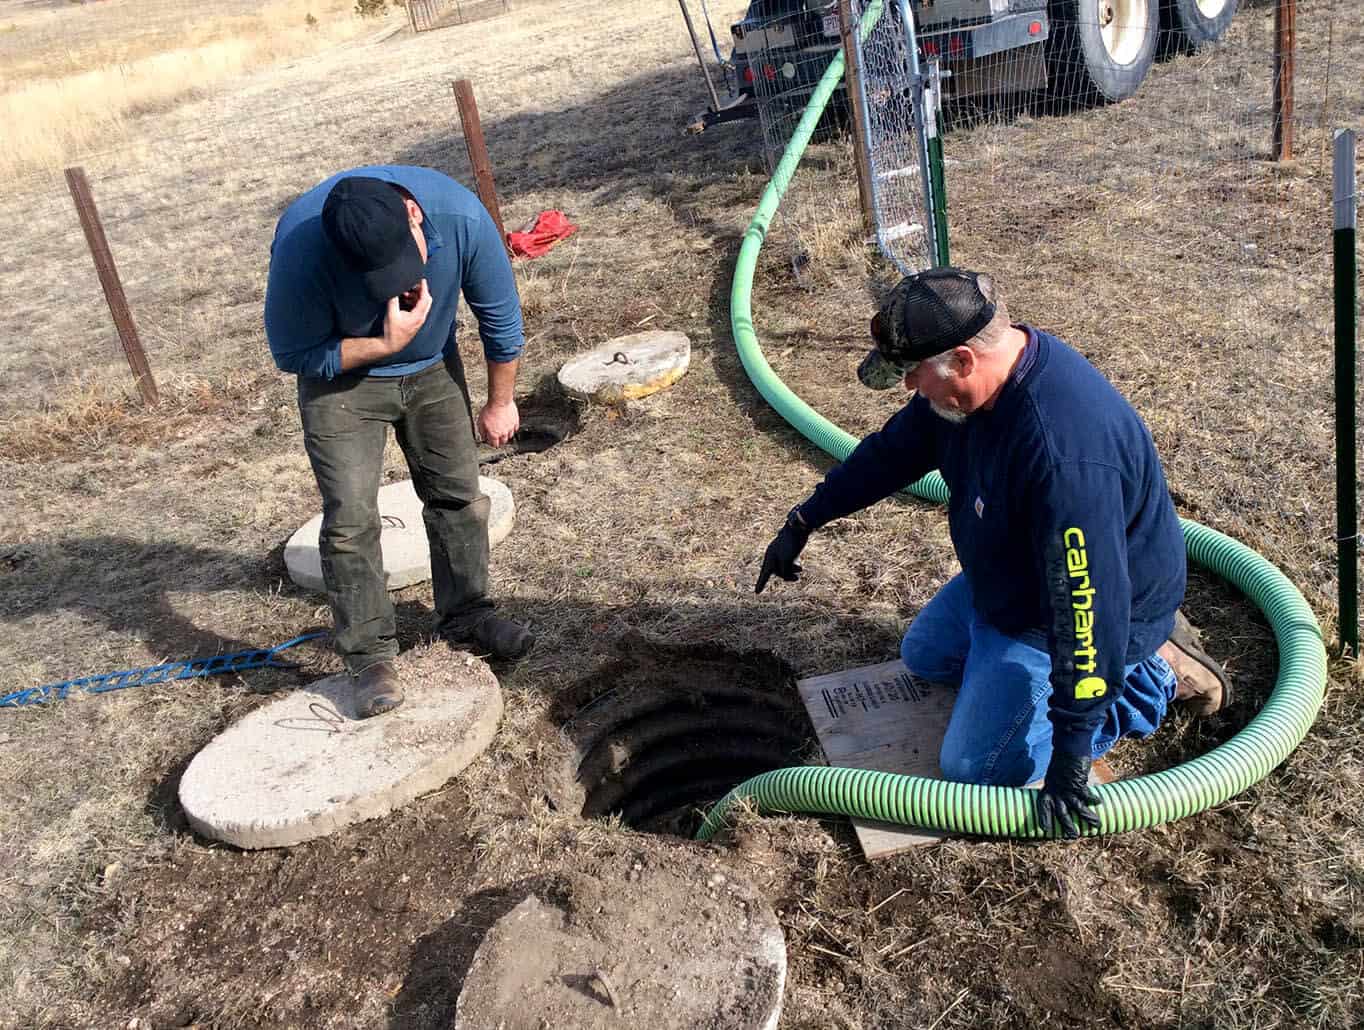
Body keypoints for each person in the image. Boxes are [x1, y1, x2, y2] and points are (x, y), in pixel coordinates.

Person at [755, 268, 1231, 837]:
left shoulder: (1061, 457)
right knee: (926, 657)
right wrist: (804, 519)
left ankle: (1150, 676)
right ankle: (1028, 674)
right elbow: (890, 454)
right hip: (1010, 579)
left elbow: (1085, 608)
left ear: (962, 360)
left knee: (975, 770)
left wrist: (1072, 753)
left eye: (913, 374)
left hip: (1076, 610)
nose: (909, 388)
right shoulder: (967, 391)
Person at [265, 165, 534, 719]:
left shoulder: (459, 216)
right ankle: (368, 658)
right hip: (342, 385)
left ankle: (468, 616)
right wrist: (385, 343)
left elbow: (500, 318)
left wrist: (500, 400)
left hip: (434, 369)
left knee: (458, 495)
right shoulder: (301, 244)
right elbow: (293, 354)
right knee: (350, 521)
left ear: (415, 215)